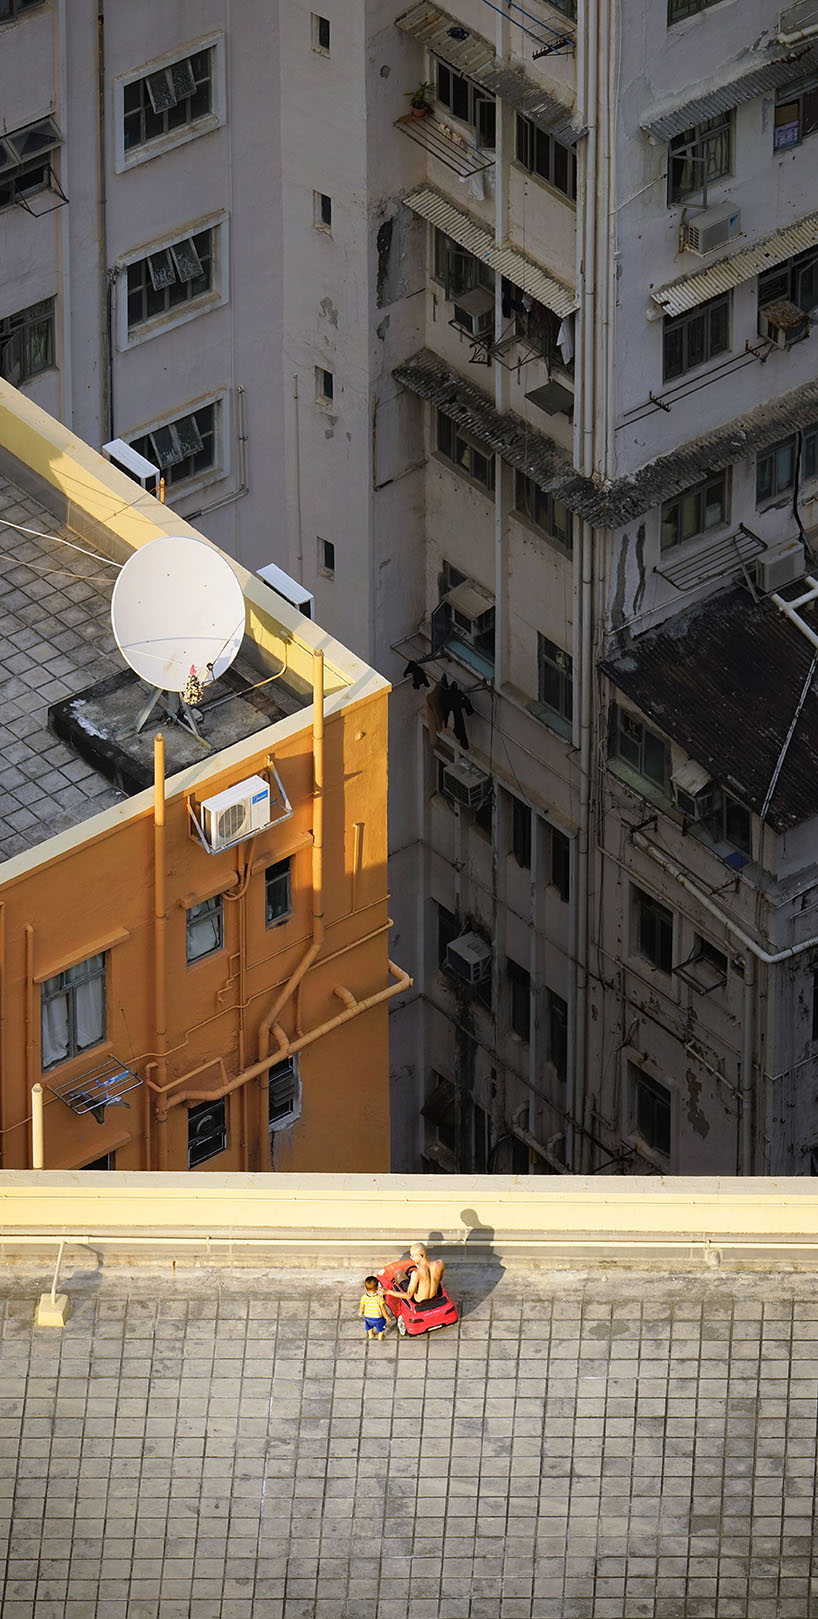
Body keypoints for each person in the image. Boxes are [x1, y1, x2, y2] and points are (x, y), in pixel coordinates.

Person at [358, 1275, 388, 1340]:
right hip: (378, 1318)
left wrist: (360, 1312)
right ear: (377, 1287)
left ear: (366, 1288)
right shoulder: (379, 1298)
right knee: (381, 1327)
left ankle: (371, 1335)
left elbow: (362, 1306)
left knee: (369, 1327)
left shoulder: (364, 1297)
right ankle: (380, 1337)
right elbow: (383, 1309)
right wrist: (387, 1316)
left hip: (368, 1317)